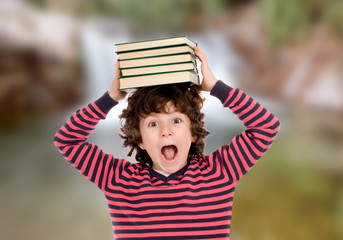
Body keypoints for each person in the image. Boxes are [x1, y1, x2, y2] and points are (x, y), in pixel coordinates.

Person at [54, 47, 280, 240]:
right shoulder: (118, 180)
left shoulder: (219, 172)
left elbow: (266, 127)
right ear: (140, 140)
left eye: (176, 120)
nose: (166, 131)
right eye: (153, 124)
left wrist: (216, 87)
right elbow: (67, 140)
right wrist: (110, 98)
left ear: (193, 133)